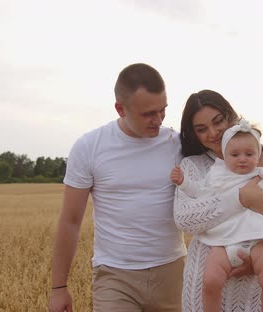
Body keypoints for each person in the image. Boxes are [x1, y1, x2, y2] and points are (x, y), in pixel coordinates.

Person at [48, 63, 186, 312]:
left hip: (173, 272)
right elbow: (70, 220)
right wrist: (59, 288)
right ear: (120, 109)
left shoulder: (177, 144)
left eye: (163, 111)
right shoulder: (89, 147)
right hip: (115, 276)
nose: (158, 120)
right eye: (148, 114)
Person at [173, 89, 263, 312]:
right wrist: (240, 198)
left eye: (218, 121)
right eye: (201, 129)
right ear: (194, 135)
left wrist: (254, 264)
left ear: (230, 115)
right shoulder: (192, 166)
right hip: (205, 283)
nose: (212, 133)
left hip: (258, 287)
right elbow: (185, 220)